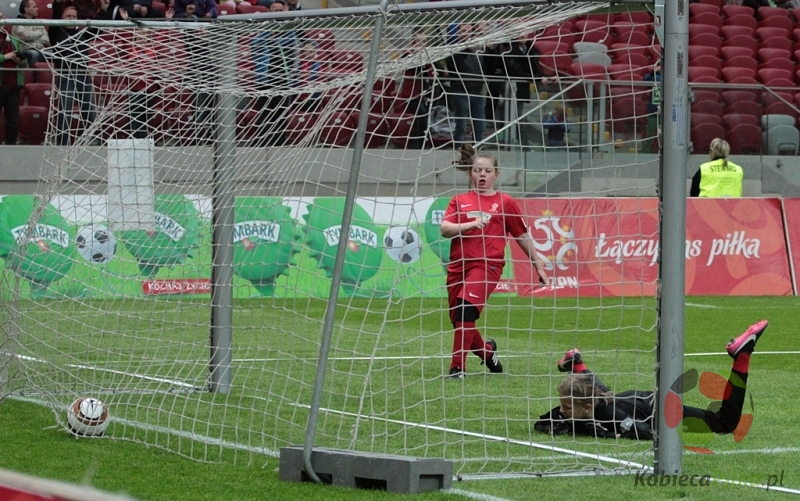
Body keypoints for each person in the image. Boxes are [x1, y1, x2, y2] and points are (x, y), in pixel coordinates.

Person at [535, 320, 768, 440]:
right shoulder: (579, 408)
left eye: (566, 408)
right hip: (627, 400)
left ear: (585, 409)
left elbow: (646, 432)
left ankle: (741, 357)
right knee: (600, 392)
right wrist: (575, 425)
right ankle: (577, 364)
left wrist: (609, 433)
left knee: (724, 423)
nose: (561, 411)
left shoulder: (610, 415)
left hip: (659, 407)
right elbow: (541, 423)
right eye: (563, 406)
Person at [441, 144, 548, 379]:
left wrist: (538, 266)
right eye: (477, 170)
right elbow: (445, 229)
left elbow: (521, 235)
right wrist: (469, 225)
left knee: (465, 310)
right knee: (460, 320)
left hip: (487, 265)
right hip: (458, 266)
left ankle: (457, 368)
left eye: (487, 171)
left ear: (496, 175)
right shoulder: (459, 201)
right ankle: (488, 353)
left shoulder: (505, 202)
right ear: (470, 173)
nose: (482, 175)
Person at [48, 1, 98, 145]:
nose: (71, 19)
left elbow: (97, 27)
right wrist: (58, 4)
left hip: (83, 75)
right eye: (68, 16)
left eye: (73, 16)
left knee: (89, 111)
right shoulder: (56, 32)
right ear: (61, 19)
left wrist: (104, 9)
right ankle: (62, 143)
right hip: (66, 74)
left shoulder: (82, 33)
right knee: (65, 111)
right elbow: (55, 16)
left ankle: (89, 142)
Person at [250, 0, 297, 146]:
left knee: (281, 112)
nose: (277, 13)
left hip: (283, 79)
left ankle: (279, 141)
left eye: (279, 11)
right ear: (269, 12)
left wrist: (280, 31)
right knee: (265, 111)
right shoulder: (262, 31)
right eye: (274, 10)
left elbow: (291, 41)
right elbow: (254, 45)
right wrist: (269, 29)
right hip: (265, 79)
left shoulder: (288, 32)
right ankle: (261, 141)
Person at [446, 23, 486, 145]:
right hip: (460, 91)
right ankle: (459, 151)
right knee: (461, 126)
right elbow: (453, 65)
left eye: (467, 31)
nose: (465, 34)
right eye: (462, 31)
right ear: (458, 32)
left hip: (477, 91)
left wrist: (490, 49)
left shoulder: (479, 48)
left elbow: (487, 66)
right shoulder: (453, 47)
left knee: (480, 126)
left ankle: (478, 149)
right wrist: (467, 49)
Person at [0, 18, 28, 145]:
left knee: (12, 120)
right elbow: (7, 56)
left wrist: (19, 60)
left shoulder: (13, 39)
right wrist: (6, 56)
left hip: (14, 86)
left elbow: (24, 63)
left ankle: (10, 145)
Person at [13, 0, 50, 67]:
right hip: (25, 50)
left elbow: (46, 40)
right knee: (34, 54)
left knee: (54, 53)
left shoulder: (39, 23)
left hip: (41, 49)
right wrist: (40, 33)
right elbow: (25, 36)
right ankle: (33, 73)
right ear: (26, 9)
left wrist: (32, 37)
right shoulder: (17, 22)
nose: (37, 9)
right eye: (34, 7)